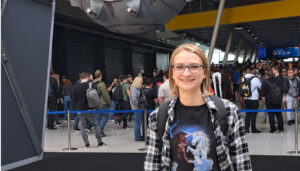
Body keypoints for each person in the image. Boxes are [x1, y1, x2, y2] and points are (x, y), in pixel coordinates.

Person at [144, 43, 252, 171]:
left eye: (194, 66)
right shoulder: (158, 117)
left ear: (204, 72)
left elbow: (242, 164)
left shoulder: (228, 112)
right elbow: (152, 166)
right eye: (179, 67)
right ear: (172, 73)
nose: (186, 73)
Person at [70, 72, 105, 148]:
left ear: (80, 79)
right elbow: (96, 95)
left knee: (83, 126)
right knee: (96, 125)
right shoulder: (92, 85)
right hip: (91, 108)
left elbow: (73, 99)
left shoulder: (74, 87)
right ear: (87, 78)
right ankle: (100, 142)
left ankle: (87, 144)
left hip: (81, 109)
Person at [93, 70, 112, 137]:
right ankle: (100, 131)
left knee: (98, 118)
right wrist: (110, 104)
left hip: (95, 103)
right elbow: (105, 95)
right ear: (101, 75)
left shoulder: (92, 83)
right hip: (102, 103)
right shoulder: (101, 84)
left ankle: (97, 131)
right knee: (105, 117)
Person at [243, 68, 262, 133]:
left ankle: (246, 128)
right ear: (256, 74)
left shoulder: (244, 78)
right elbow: (260, 87)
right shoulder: (256, 79)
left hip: (246, 98)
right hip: (254, 99)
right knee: (253, 114)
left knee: (247, 114)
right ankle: (253, 129)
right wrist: (259, 79)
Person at [129, 76, 144, 141]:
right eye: (141, 81)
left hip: (139, 107)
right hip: (137, 108)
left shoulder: (138, 88)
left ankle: (140, 135)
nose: (142, 82)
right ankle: (137, 137)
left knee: (139, 122)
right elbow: (134, 99)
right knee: (137, 122)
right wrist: (139, 106)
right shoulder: (133, 88)